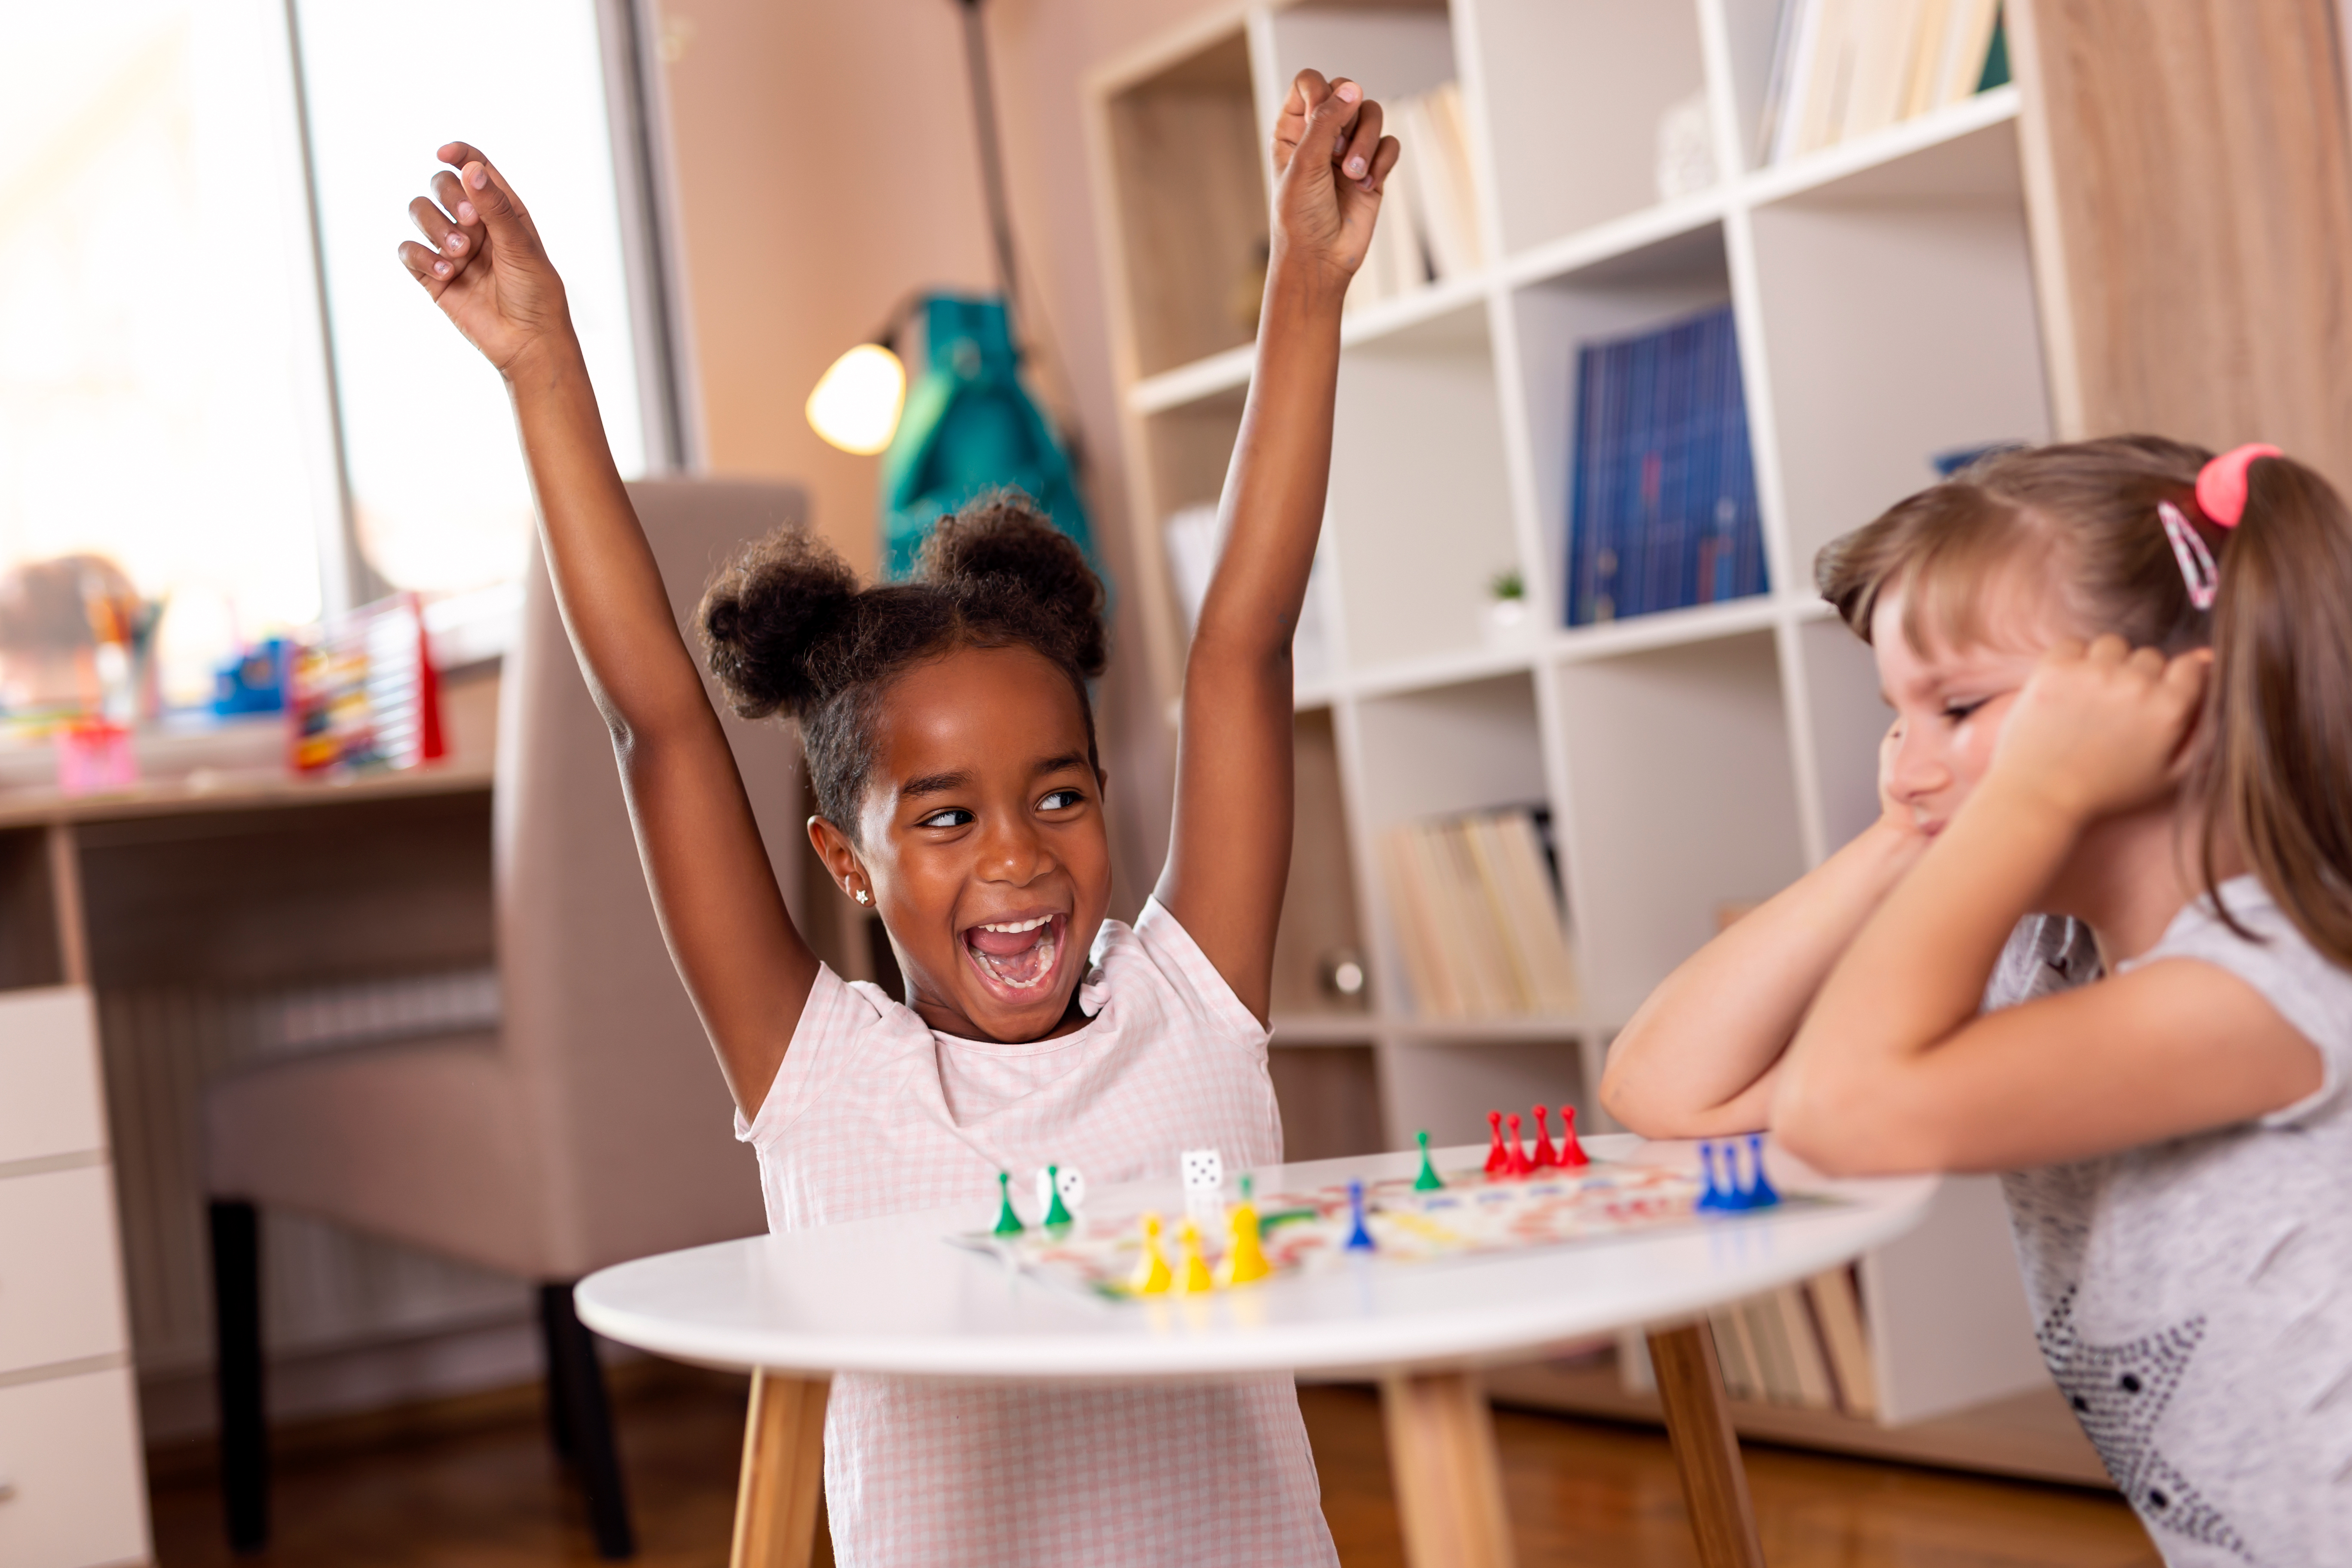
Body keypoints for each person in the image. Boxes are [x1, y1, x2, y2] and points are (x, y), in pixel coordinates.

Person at [398, 69, 1397, 1568]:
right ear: (845, 862)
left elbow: (1244, 640)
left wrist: (1306, 282)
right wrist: (543, 367)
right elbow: (657, 726)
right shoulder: (824, 1080)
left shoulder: (1191, 1009)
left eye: (1059, 794)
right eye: (944, 820)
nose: (1018, 855)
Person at [1600, 437, 2352, 1562]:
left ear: (2172, 709)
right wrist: (1916, 829)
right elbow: (1666, 1087)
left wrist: (2023, 800)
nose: (1905, 761)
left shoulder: (2266, 987)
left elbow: (1838, 1114)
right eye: (1897, 717)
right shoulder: (2049, 963)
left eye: (1957, 708)